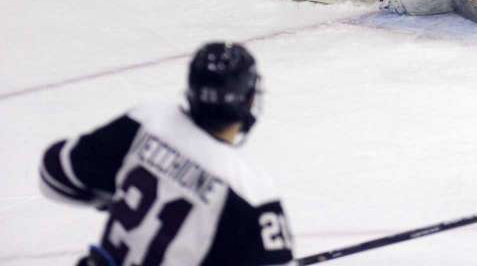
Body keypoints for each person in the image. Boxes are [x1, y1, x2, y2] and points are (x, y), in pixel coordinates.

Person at [39, 42, 294, 266]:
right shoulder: (250, 193)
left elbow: (53, 176)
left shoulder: (147, 121)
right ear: (248, 101)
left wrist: (119, 199)